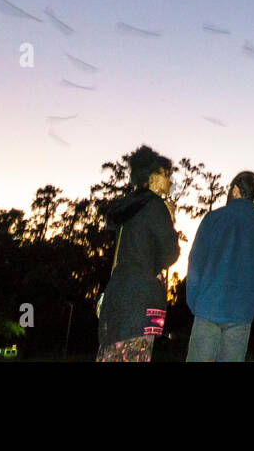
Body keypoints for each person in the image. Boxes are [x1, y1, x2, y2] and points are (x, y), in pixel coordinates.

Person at [97, 146, 179, 362]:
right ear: (153, 178)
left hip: (117, 297)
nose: (170, 181)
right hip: (140, 302)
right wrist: (170, 222)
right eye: (166, 175)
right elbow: (170, 254)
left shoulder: (128, 207)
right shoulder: (155, 206)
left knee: (112, 354)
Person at [185, 170, 254, 362]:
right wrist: (252, 302)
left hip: (207, 307)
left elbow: (196, 262)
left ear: (235, 189)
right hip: (241, 312)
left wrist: (194, 301)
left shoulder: (213, 219)